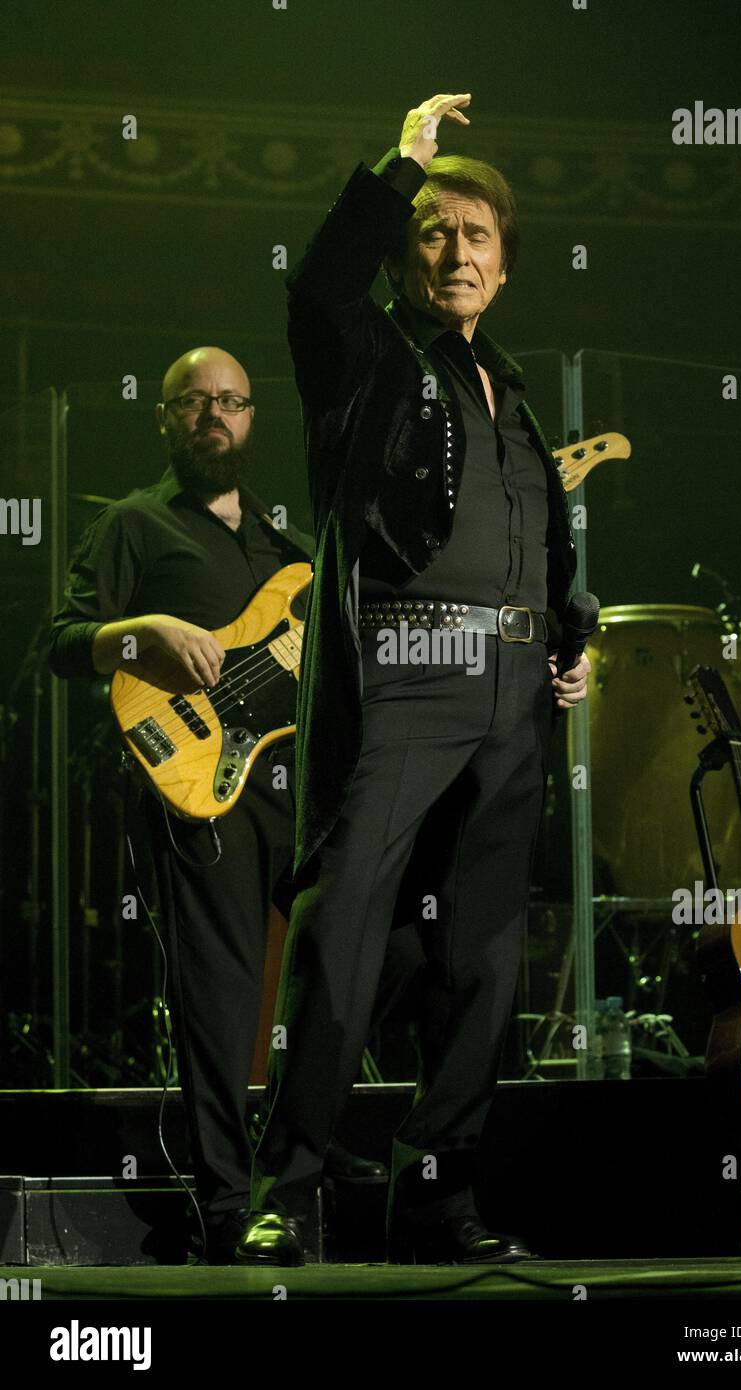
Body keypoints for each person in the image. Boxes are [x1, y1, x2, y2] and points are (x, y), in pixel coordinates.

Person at [237, 93, 590, 1269]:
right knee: (343, 936)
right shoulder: (362, 353)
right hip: (402, 668)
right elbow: (315, 289)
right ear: (403, 254)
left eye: (477, 235)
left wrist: (566, 634)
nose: (456, 252)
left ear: (503, 268)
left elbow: (535, 533)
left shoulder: (520, 395)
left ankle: (436, 1199)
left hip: (509, 693)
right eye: (434, 231)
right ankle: (283, 1188)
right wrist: (400, 167)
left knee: (483, 961)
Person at [48, 346, 413, 1263]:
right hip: (201, 791)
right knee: (220, 1000)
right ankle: (223, 1205)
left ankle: (303, 1160)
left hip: (298, 789)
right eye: (195, 402)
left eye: (233, 401)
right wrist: (137, 633)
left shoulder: (292, 551)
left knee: (375, 950)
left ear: (253, 418)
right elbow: (59, 642)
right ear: (166, 418)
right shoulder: (134, 525)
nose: (215, 414)